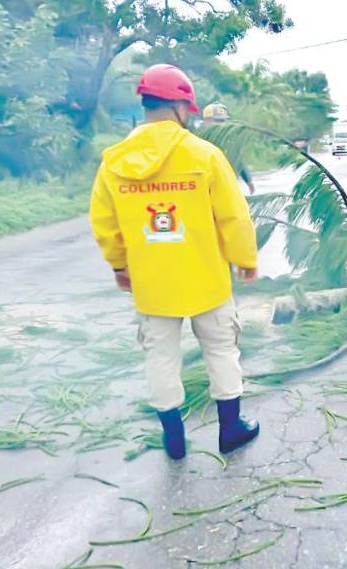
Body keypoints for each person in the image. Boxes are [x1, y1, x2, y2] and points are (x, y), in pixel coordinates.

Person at [89, 64, 260, 460]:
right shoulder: (204, 155)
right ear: (182, 107)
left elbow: (104, 222)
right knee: (220, 349)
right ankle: (230, 430)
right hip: (206, 280)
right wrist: (244, 258)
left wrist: (119, 266)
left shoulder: (114, 161)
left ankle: (174, 439)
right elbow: (233, 215)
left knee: (160, 357)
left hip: (152, 284)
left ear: (146, 103)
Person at [201, 102, 257, 196]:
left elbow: (238, 159)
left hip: (226, 188)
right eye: (217, 121)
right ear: (206, 121)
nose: (221, 124)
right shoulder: (197, 140)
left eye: (223, 121)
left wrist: (248, 181)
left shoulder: (228, 140)